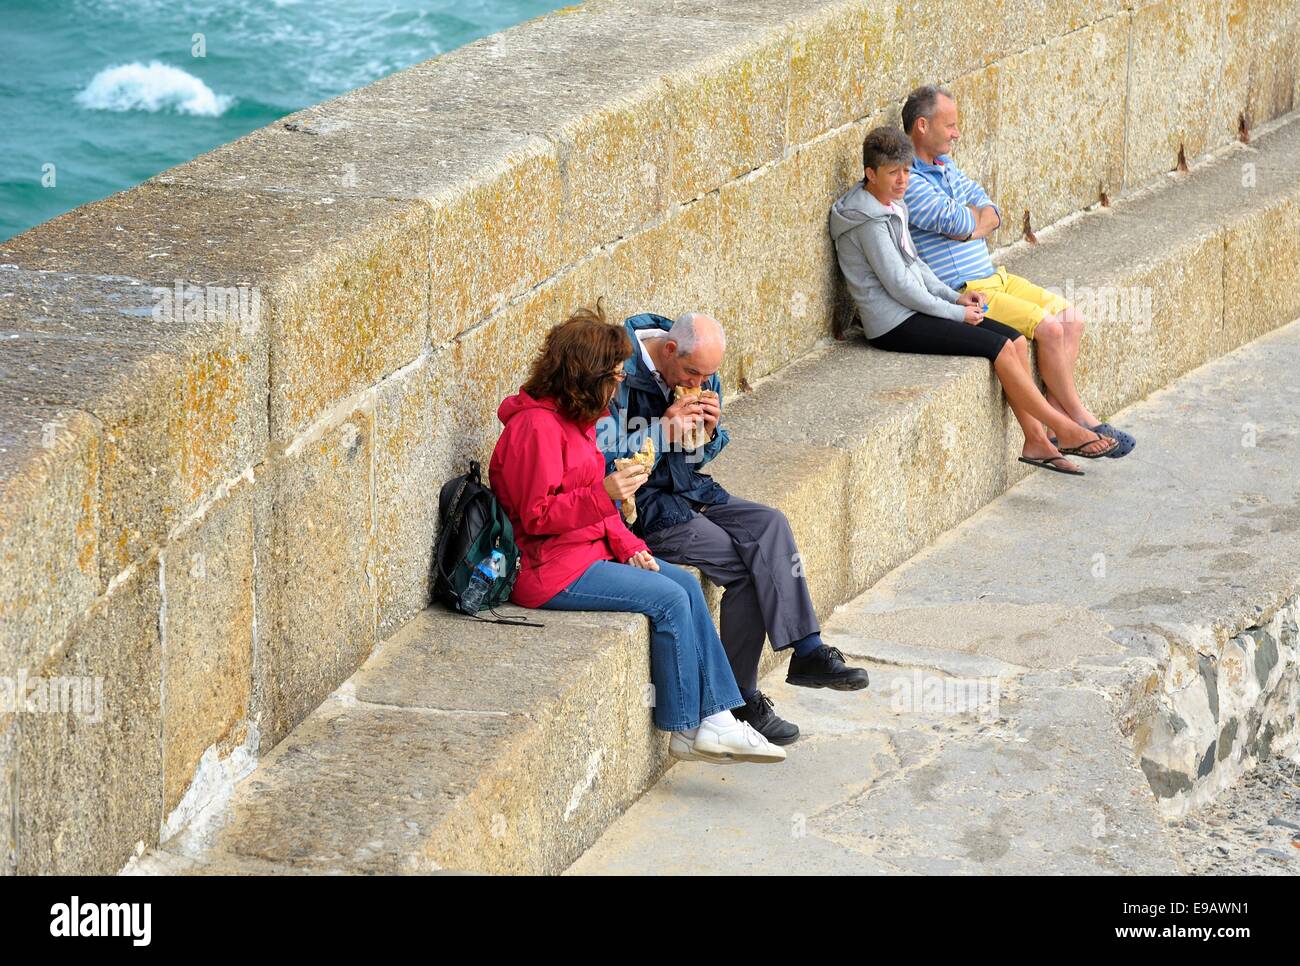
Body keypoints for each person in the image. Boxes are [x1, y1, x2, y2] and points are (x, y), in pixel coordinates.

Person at [488, 302, 785, 764]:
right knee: (667, 599)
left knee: (684, 583)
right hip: (550, 568)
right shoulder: (536, 429)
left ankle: (712, 723)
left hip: (587, 551)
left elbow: (599, 497)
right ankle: (694, 723)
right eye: (613, 375)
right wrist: (604, 495)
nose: (619, 383)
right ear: (585, 375)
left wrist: (629, 545)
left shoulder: (578, 420)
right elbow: (535, 517)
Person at [597, 310, 870, 748]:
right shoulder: (618, 368)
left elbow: (701, 457)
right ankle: (741, 697)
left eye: (708, 375)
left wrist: (708, 433)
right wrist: (662, 430)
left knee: (769, 524)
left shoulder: (699, 371)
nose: (700, 382)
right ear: (669, 350)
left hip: (693, 491)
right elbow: (601, 453)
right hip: (646, 508)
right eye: (692, 373)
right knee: (747, 562)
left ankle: (808, 649)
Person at [830, 125, 1119, 474]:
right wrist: (954, 313)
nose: (903, 180)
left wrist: (957, 297)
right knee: (995, 347)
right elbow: (900, 287)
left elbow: (915, 264)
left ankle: (1036, 440)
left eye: (906, 171)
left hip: (917, 306)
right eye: (893, 173)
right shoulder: (868, 222)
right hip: (894, 322)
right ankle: (1063, 428)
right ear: (869, 173)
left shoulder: (890, 203)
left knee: (1013, 339)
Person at [900, 83, 1136, 457]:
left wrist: (975, 221)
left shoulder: (947, 166)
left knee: (1071, 318)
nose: (957, 133)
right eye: (950, 126)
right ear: (923, 127)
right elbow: (956, 220)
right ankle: (1080, 420)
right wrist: (972, 223)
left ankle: (1059, 416)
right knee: (1049, 328)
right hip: (965, 286)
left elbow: (989, 209)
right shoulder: (908, 181)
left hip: (998, 276)